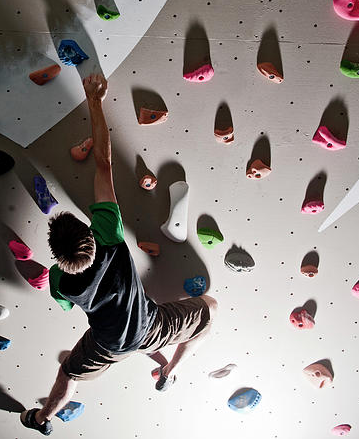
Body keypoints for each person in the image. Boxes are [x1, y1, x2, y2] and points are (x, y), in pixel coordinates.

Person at [20, 73, 218, 436]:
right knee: (210, 309)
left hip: (107, 343)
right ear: (88, 232)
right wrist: (94, 101)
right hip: (149, 326)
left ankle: (41, 419)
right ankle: (168, 372)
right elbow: (103, 162)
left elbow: (66, 305)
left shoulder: (59, 281)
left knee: (68, 373)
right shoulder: (108, 233)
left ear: (57, 256)